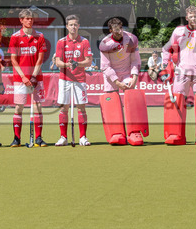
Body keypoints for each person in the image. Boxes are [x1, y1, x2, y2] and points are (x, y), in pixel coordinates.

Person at [161, 5, 196, 145]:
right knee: (177, 102)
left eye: (195, 16)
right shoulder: (178, 31)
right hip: (181, 73)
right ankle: (177, 135)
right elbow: (166, 48)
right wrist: (165, 66)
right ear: (187, 18)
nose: (193, 18)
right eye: (190, 16)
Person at [8, 8, 49, 146]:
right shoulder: (15, 37)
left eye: (31, 18)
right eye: (27, 18)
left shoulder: (40, 36)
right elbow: (13, 60)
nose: (30, 20)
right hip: (20, 79)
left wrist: (33, 76)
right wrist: (24, 78)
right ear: (21, 20)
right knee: (19, 108)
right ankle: (16, 138)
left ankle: (38, 138)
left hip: (36, 78)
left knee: (38, 107)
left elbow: (40, 59)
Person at [98, 17, 143, 144]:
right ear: (111, 30)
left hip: (127, 72)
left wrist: (134, 77)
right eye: (116, 31)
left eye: (121, 29)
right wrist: (117, 82)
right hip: (111, 75)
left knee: (132, 97)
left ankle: (134, 132)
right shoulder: (105, 44)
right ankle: (117, 132)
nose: (119, 33)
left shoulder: (131, 39)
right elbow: (105, 67)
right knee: (112, 101)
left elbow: (135, 60)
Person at [53, 14, 93, 146]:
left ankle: (83, 137)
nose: (73, 27)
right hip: (65, 79)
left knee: (81, 108)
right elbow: (58, 62)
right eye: (71, 25)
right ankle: (63, 137)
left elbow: (88, 61)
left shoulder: (84, 42)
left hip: (80, 79)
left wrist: (77, 64)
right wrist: (67, 65)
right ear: (67, 26)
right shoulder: (61, 42)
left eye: (75, 24)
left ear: (79, 26)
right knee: (64, 108)